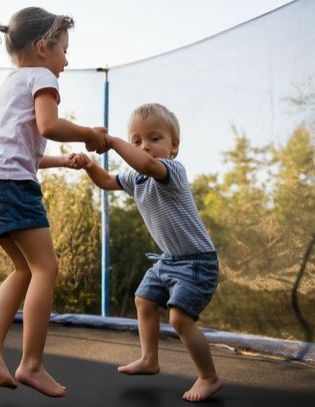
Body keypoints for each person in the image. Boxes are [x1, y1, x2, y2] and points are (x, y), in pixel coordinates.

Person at [0, 7, 108, 398]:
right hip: (10, 184)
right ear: (43, 47)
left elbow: (27, 150)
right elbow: (50, 126)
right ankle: (32, 363)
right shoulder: (42, 76)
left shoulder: (10, 85)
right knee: (46, 268)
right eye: (64, 50)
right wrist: (89, 134)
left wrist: (64, 160)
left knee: (24, 269)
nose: (66, 60)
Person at [71, 103, 223, 402]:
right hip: (168, 260)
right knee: (144, 300)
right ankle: (149, 360)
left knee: (179, 319)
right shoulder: (133, 178)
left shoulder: (172, 170)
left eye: (154, 139)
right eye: (137, 140)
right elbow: (106, 181)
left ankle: (209, 377)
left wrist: (114, 142)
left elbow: (147, 165)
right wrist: (90, 165)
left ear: (174, 146)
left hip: (197, 262)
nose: (145, 147)